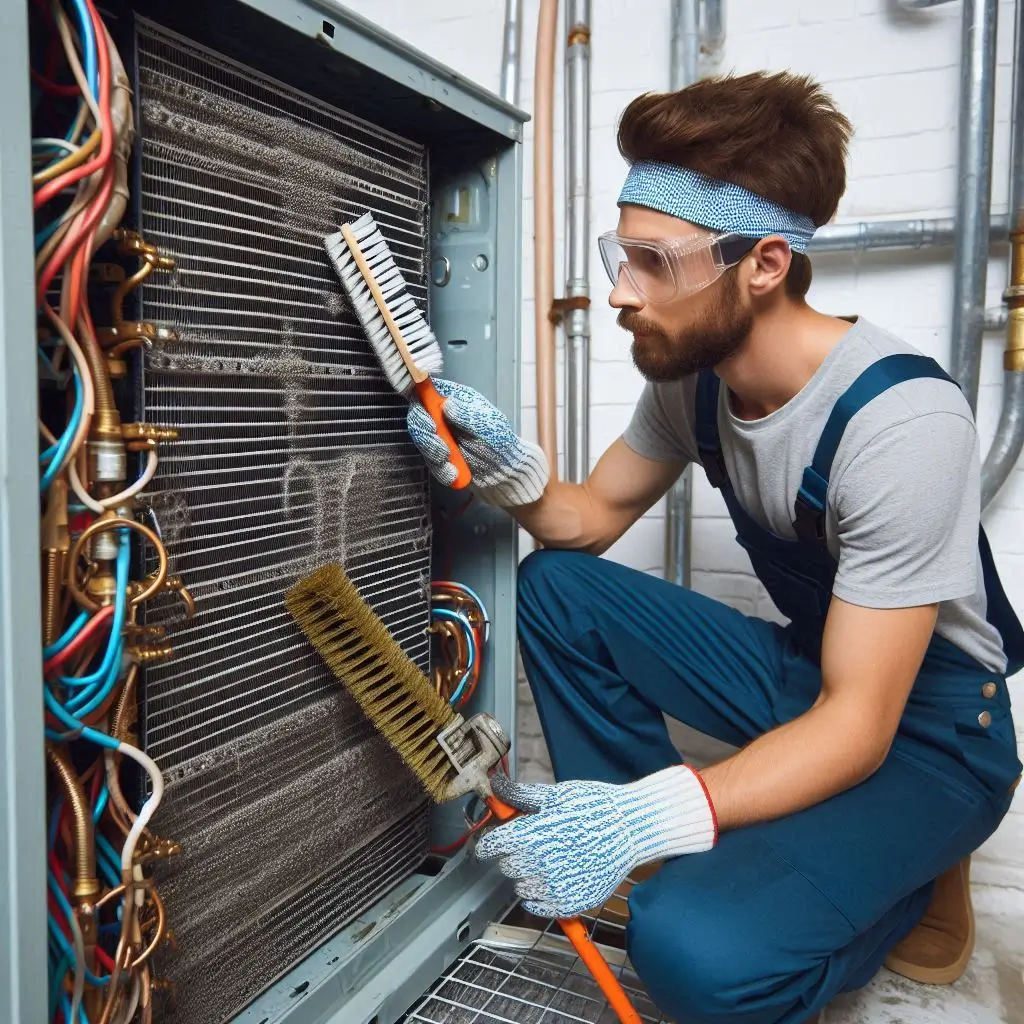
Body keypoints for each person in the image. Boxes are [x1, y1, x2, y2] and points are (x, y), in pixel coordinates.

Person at [405, 70, 1024, 1024]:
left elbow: (862, 726)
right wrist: (506, 467)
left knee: (696, 956)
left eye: (653, 260)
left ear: (765, 262)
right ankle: (625, 853)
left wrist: (663, 801)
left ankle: (907, 877)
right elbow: (588, 521)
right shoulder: (691, 383)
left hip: (933, 732)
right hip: (819, 673)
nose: (619, 292)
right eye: (622, 253)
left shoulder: (903, 421)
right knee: (561, 587)